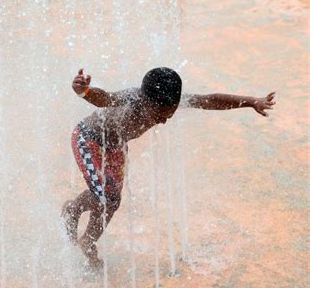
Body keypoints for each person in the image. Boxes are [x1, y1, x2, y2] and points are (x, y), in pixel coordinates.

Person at [62, 67, 276, 270]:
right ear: (145, 100)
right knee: (106, 198)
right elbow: (104, 98)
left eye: (169, 115)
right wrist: (85, 92)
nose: (163, 121)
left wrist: (251, 102)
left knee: (112, 201)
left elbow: (210, 100)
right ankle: (81, 229)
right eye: (158, 116)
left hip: (115, 147)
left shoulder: (167, 99)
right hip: (90, 141)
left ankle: (82, 229)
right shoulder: (132, 98)